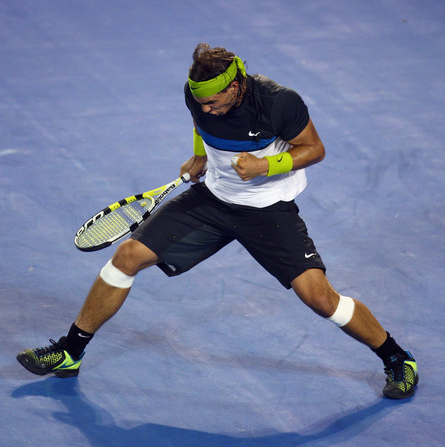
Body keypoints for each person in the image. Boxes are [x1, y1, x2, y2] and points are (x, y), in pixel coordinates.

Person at [17, 43, 418, 399]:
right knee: (127, 256)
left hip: (268, 210)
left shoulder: (279, 102)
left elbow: (314, 149)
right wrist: (200, 155)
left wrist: (266, 165)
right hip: (212, 200)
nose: (206, 108)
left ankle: (397, 358)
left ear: (236, 86)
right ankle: (70, 351)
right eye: (200, 101)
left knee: (320, 299)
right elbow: (201, 123)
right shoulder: (197, 97)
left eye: (213, 101)